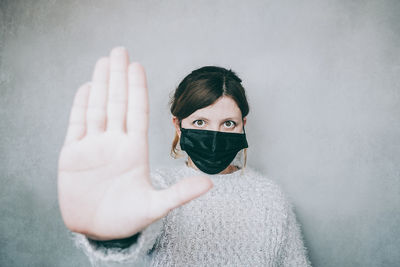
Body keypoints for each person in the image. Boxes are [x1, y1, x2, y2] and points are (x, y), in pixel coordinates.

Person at [57, 46, 312, 266]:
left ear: (243, 124)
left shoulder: (270, 196)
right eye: (200, 122)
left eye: (228, 124)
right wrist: (115, 233)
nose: (214, 134)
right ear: (178, 126)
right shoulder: (159, 187)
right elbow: (136, 228)